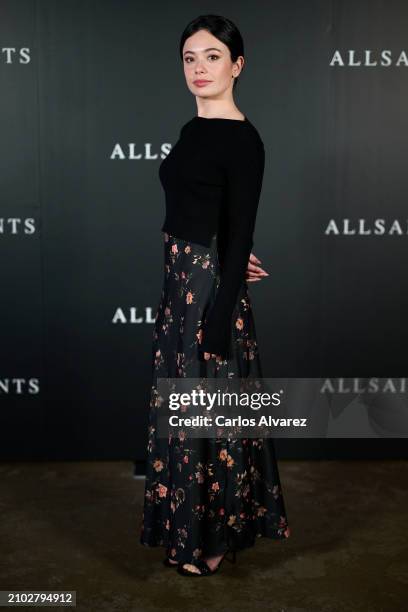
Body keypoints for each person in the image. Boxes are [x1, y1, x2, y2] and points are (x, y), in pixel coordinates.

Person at [140, 14, 290, 577]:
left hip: (208, 296)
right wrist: (222, 252)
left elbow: (242, 224)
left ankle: (216, 540)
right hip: (181, 284)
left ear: (237, 65)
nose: (199, 69)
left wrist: (221, 310)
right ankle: (185, 531)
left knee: (213, 417)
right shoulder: (192, 128)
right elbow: (206, 212)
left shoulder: (243, 139)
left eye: (212, 57)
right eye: (190, 58)